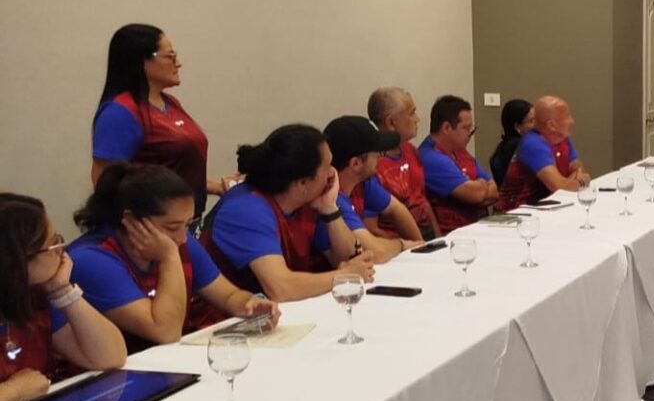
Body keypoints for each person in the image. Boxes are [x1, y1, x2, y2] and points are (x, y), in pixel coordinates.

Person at [68, 164, 282, 351]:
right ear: (131, 220)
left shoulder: (178, 240)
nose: (182, 237)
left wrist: (250, 304)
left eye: (187, 225)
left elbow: (227, 295)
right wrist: (169, 257)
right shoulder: (92, 259)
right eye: (171, 227)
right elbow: (166, 331)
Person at [204, 124, 376, 301]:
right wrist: (343, 275)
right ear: (302, 183)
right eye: (327, 167)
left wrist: (330, 209)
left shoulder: (310, 201)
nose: (332, 173)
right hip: (222, 315)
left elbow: (351, 260)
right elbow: (281, 288)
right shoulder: (246, 209)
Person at [91, 23, 240, 219]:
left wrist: (218, 185)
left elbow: (171, 171)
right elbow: (104, 181)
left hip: (185, 220)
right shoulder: (120, 112)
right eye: (170, 56)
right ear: (144, 62)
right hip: (151, 224)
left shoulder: (171, 103)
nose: (178, 63)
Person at [0, 194, 126, 401]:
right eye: (52, 244)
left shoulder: (34, 297)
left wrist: (63, 291)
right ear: (17, 260)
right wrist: (14, 391)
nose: (62, 249)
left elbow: (110, 357)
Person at [323, 115, 422, 260]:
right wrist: (402, 245)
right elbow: (375, 252)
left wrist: (421, 246)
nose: (381, 158)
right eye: (377, 153)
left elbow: (396, 210)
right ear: (355, 163)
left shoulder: (363, 182)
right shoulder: (330, 199)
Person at [420, 95, 499, 233]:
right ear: (446, 128)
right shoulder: (430, 157)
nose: (470, 134)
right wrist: (480, 185)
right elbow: (474, 195)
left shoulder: (460, 151)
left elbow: (494, 191)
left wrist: (477, 189)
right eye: (466, 128)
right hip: (452, 235)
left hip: (476, 228)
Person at [368, 87, 440, 239]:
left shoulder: (411, 150)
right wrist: (407, 245)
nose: (417, 119)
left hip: (426, 236)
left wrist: (438, 238)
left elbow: (422, 201)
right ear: (391, 122)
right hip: (399, 242)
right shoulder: (371, 165)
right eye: (411, 113)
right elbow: (371, 229)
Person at [500, 95, 590, 210]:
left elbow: (578, 169)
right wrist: (581, 182)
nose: (572, 121)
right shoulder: (533, 143)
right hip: (517, 212)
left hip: (548, 205)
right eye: (567, 117)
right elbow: (559, 187)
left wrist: (571, 181)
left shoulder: (563, 139)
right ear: (551, 125)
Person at [489, 99, 535, 186]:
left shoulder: (501, 148)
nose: (536, 125)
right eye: (531, 121)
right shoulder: (521, 147)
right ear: (517, 126)